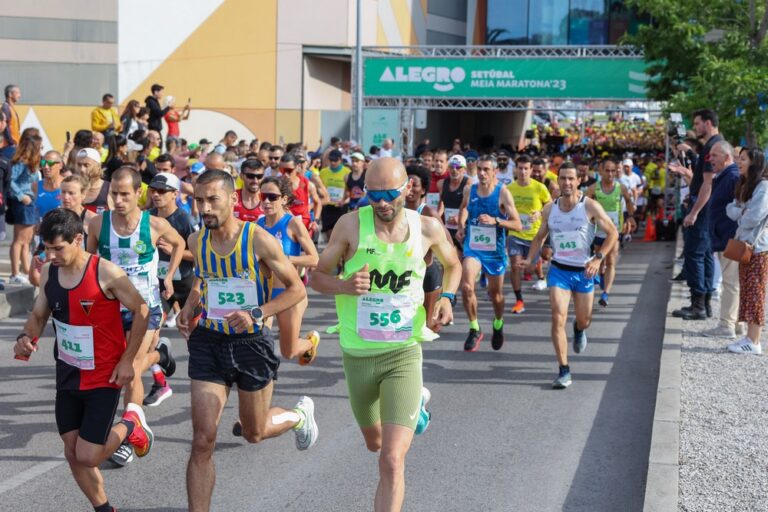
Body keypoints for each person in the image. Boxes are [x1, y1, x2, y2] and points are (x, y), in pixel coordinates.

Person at [311, 157, 460, 512]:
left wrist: (448, 299)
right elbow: (316, 277)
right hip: (358, 354)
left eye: (389, 194)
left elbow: (453, 264)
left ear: (407, 188)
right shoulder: (349, 226)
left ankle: (410, 401)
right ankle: (416, 410)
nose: (380, 203)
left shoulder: (427, 228)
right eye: (372, 194)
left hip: (404, 352)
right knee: (375, 443)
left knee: (392, 461)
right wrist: (344, 285)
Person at [174, 169, 317, 512]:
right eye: (199, 200)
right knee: (203, 439)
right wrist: (189, 307)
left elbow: (296, 289)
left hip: (251, 343)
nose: (204, 207)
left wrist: (256, 312)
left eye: (212, 200)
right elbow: (204, 278)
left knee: (254, 433)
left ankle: (298, 416)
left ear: (233, 199)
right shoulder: (196, 241)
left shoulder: (258, 239)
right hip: (209, 341)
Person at [14, 208, 154, 512]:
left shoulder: (106, 272)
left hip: (104, 374)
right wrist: (27, 338)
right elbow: (39, 314)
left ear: (79, 239)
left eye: (58, 248)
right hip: (67, 372)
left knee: (88, 455)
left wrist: (129, 359)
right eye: (47, 247)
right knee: (71, 451)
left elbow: (142, 310)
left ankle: (131, 424)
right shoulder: (50, 271)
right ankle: (104, 509)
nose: (51, 255)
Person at [87, 167, 184, 465]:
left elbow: (180, 243)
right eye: (114, 193)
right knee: (115, 370)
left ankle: (129, 435)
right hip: (110, 310)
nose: (117, 200)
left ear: (138, 193)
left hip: (147, 309)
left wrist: (168, 277)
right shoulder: (96, 224)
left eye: (124, 194)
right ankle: (161, 356)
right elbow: (89, 265)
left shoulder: (154, 225)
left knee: (130, 371)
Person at [519, 165, 618, 388]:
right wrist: (530, 260)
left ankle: (579, 329)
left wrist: (598, 258)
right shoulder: (550, 209)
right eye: (562, 179)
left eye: (570, 179)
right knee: (557, 317)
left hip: (584, 272)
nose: (566, 183)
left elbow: (612, 232)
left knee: (584, 320)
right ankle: (564, 370)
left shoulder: (589, 206)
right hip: (559, 271)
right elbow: (539, 238)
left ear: (578, 181)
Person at [457, 155, 522, 351]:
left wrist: (497, 221)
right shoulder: (470, 189)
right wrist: (461, 226)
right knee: (467, 287)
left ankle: (498, 323)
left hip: (494, 252)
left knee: (496, 295)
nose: (482, 173)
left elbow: (517, 224)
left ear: (495, 171)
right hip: (473, 247)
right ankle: (474, 327)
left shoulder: (503, 193)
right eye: (480, 169)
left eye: (486, 169)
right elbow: (464, 209)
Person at [256, 176, 320, 366]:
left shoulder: (292, 223)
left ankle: (310, 342)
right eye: (263, 196)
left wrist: (284, 260)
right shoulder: (258, 225)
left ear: (284, 199)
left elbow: (314, 259)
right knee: (258, 344)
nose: (266, 201)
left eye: (272, 197)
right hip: (265, 293)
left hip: (288, 293)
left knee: (289, 351)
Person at [670, 109, 721, 320]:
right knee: (705, 255)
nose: (696, 127)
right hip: (707, 211)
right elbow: (702, 174)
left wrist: (694, 212)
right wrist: (689, 154)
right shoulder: (712, 146)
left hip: (703, 212)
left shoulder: (712, 147)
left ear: (708, 123)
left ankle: (698, 305)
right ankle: (704, 304)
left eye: (698, 123)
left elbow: (707, 185)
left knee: (695, 256)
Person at [725, 147, 768, 354]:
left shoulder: (764, 187)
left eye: (742, 159)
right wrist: (744, 210)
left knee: (756, 292)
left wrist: (742, 211)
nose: (738, 162)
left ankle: (755, 341)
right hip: (745, 246)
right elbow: (730, 210)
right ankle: (749, 337)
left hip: (758, 248)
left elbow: (754, 217)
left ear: (754, 162)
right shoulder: (744, 184)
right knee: (747, 291)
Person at [148, 170, 198, 342]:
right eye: (153, 190)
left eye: (162, 191)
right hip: (159, 284)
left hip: (185, 284)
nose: (155, 194)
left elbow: (199, 255)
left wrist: (176, 251)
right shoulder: (148, 217)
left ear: (175, 194)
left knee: (194, 334)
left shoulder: (186, 220)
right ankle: (160, 358)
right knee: (151, 333)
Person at [700, 141, 740, 338]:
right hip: (724, 238)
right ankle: (737, 323)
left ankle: (727, 326)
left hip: (730, 239)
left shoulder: (732, 176)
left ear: (727, 157)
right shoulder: (726, 175)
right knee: (732, 282)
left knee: (731, 283)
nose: (710, 159)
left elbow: (741, 207)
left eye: (714, 155)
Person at [405, 164, 451, 330]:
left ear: (423, 190)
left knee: (426, 326)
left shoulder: (430, 214)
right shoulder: (394, 213)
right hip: (402, 276)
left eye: (414, 185)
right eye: (406, 184)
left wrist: (448, 292)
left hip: (427, 276)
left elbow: (449, 252)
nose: (410, 189)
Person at [585, 157, 636, 307]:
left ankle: (606, 294)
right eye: (607, 170)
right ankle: (601, 273)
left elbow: (628, 201)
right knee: (599, 261)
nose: (610, 174)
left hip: (614, 232)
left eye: (613, 171)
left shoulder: (621, 188)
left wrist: (631, 217)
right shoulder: (594, 188)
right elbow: (584, 206)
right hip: (597, 232)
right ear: (600, 171)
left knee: (611, 262)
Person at [30, 175, 97, 287]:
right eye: (63, 192)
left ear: (83, 195)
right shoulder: (52, 216)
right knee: (34, 275)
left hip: (83, 272)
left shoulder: (93, 220)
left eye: (71, 193)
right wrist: (40, 257)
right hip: (58, 270)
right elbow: (44, 245)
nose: (66, 197)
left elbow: (98, 253)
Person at [507, 154, 552, 312]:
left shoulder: (539, 187)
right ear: (515, 169)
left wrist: (540, 213)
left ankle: (537, 268)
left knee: (529, 270)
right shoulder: (510, 188)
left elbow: (549, 204)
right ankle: (519, 300)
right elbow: (502, 206)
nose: (523, 172)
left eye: (526, 168)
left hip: (534, 235)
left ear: (531, 170)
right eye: (520, 168)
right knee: (515, 266)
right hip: (515, 234)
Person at [8, 134, 42, 284]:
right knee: (19, 240)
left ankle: (26, 269)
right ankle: (15, 273)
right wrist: (21, 196)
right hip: (23, 203)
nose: (41, 149)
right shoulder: (21, 162)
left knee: (27, 240)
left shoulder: (32, 163)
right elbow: (10, 181)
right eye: (39, 147)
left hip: (31, 203)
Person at [439, 154, 469, 253]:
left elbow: (470, 207)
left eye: (458, 167)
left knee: (463, 260)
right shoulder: (441, 183)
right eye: (451, 167)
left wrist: (459, 218)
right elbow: (440, 205)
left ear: (464, 169)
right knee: (449, 260)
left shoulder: (469, 184)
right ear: (448, 168)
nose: (454, 170)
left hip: (463, 227)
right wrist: (437, 220)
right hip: (448, 227)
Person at [319, 148, 350, 239]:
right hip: (327, 205)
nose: (333, 163)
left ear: (340, 160)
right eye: (331, 160)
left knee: (339, 232)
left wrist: (344, 201)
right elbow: (319, 188)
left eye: (335, 160)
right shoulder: (323, 172)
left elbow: (349, 191)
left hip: (341, 206)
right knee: (328, 231)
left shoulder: (347, 172)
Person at [78, 148, 112, 214]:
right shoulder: (73, 188)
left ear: (98, 166)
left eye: (86, 165)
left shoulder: (110, 188)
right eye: (79, 165)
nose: (81, 169)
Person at [37, 150, 64, 220]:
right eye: (43, 163)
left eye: (50, 163)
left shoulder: (69, 186)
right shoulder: (35, 186)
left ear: (60, 165)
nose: (46, 167)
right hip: (41, 229)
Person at [1, 84, 21, 159]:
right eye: (17, 93)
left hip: (13, 146)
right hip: (8, 147)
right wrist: (11, 143)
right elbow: (5, 128)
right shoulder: (5, 108)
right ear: (10, 94)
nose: (19, 95)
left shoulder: (10, 108)